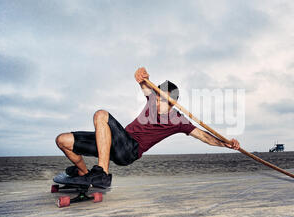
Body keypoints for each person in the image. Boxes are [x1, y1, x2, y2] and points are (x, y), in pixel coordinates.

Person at [55, 67, 240, 188]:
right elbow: (144, 85)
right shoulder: (151, 100)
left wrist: (226, 144)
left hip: (129, 151)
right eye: (157, 96)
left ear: (174, 102)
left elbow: (204, 136)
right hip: (113, 142)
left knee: (101, 114)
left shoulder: (178, 120)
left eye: (163, 99)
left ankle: (101, 174)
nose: (158, 102)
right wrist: (141, 77)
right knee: (62, 140)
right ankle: (84, 174)